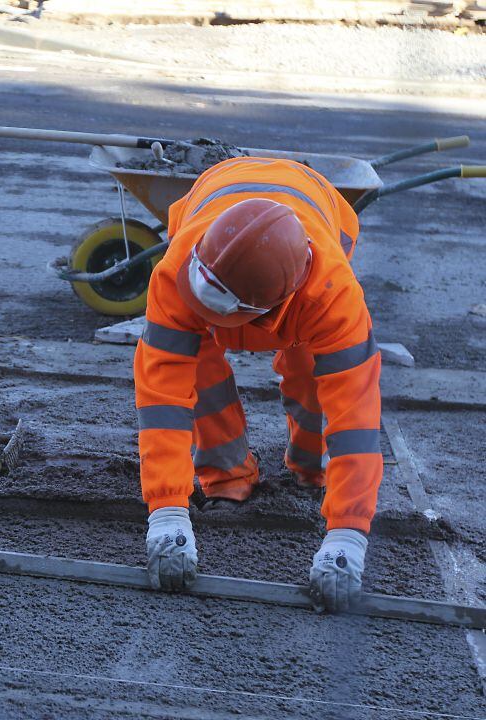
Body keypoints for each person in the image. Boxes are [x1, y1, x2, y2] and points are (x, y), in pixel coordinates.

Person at [134, 155, 381, 612]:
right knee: (199, 368)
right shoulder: (176, 274)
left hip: (313, 213)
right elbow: (163, 399)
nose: (201, 315)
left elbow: (356, 422)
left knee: (310, 375)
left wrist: (348, 535)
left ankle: (311, 471)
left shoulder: (334, 299)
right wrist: (167, 510)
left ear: (270, 309)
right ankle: (227, 477)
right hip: (218, 194)